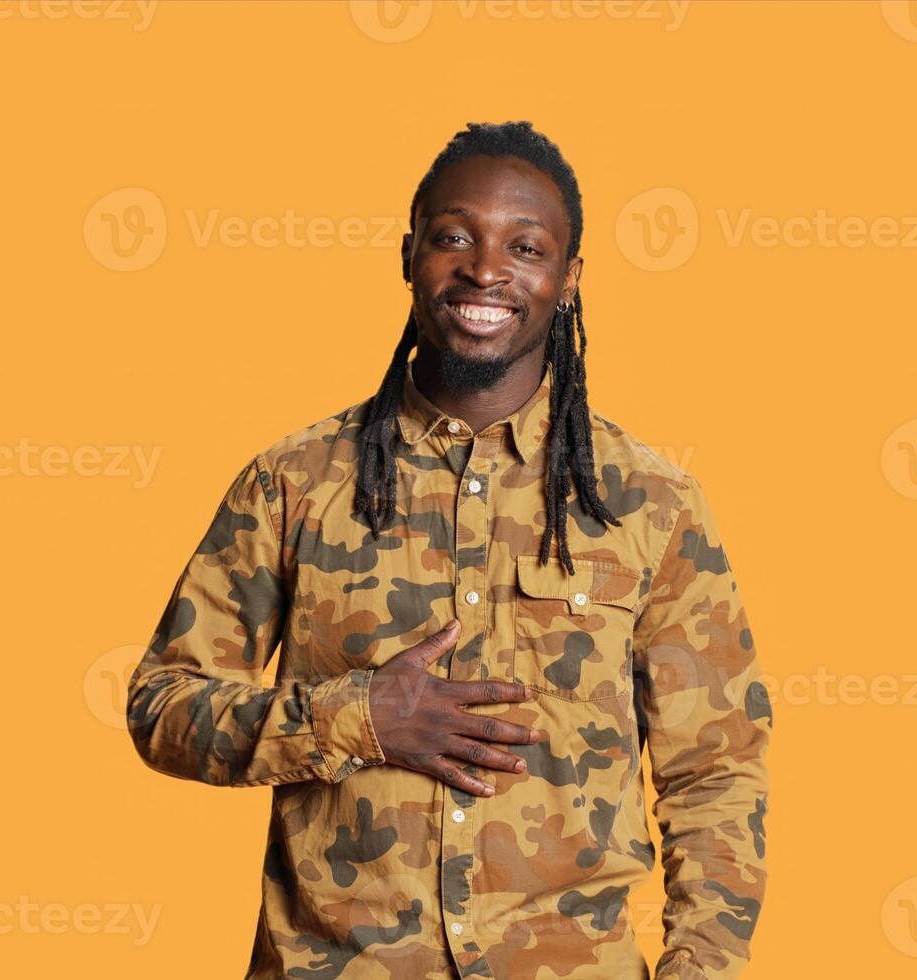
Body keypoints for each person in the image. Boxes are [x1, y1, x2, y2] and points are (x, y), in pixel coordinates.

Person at [127, 121, 771, 980]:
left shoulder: (651, 502)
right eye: (454, 237)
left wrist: (699, 970)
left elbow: (716, 771)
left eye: (526, 246)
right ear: (409, 255)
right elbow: (161, 706)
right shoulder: (291, 483)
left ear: (568, 279)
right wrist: (354, 718)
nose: (484, 269)